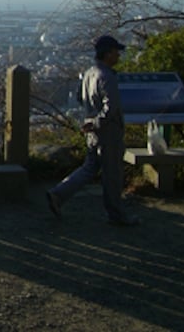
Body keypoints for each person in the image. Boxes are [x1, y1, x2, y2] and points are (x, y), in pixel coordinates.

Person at [46, 35, 140, 226]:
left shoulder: (89, 73)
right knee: (112, 174)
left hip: (92, 130)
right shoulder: (107, 76)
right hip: (108, 132)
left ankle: (58, 194)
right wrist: (98, 121)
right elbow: (111, 107)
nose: (118, 55)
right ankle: (116, 214)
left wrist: (91, 118)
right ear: (107, 53)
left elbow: (80, 98)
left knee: (89, 168)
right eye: (116, 52)